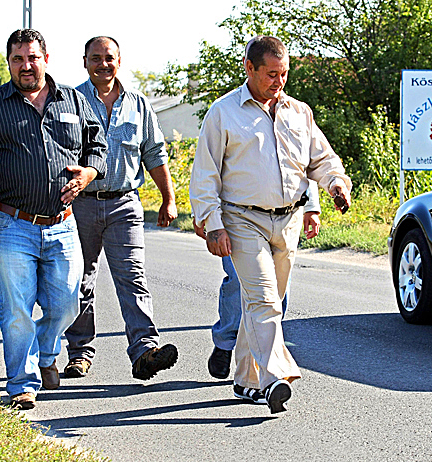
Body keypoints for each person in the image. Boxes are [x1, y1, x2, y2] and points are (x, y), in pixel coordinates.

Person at [189, 36, 352, 414]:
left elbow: (321, 160)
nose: (278, 82)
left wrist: (336, 184)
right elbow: (205, 174)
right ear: (250, 68)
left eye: (284, 74)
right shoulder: (224, 113)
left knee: (266, 303)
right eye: (271, 74)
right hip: (242, 219)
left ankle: (247, 380)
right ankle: (275, 376)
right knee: (264, 301)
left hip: (289, 220)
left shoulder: (299, 112)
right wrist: (212, 224)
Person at [0, 29, 107, 410]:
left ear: (46, 58)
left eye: (32, 58)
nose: (26, 66)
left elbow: (97, 147)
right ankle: (21, 381)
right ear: (9, 63)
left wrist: (89, 173)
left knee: (68, 304)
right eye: (18, 59)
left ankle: (45, 349)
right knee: (16, 306)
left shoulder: (72, 99)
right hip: (10, 224)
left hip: (63, 222)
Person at [63, 36, 178, 381]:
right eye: (95, 58)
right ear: (84, 61)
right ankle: (79, 352)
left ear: (119, 60)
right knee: (79, 282)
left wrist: (168, 198)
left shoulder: (138, 105)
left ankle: (145, 351)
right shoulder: (70, 101)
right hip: (80, 205)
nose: (103, 64)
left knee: (133, 278)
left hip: (124, 204)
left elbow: (154, 153)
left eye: (108, 58)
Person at [195, 182, 320, 386]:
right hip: (238, 217)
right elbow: (209, 168)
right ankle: (227, 341)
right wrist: (206, 214)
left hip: (283, 218)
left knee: (276, 290)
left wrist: (312, 207)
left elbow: (306, 161)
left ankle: (255, 369)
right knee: (238, 282)